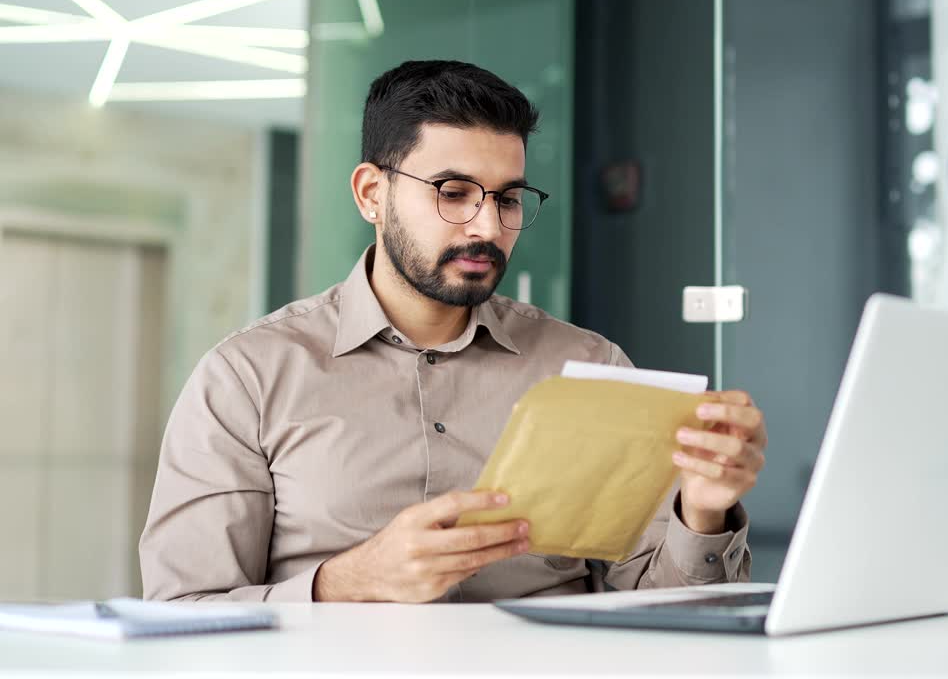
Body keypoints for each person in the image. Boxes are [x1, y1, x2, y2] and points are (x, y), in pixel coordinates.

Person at [139, 60, 768, 603]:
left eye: (508, 199)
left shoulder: (589, 365)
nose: (487, 228)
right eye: (453, 191)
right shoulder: (248, 377)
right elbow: (183, 611)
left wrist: (705, 508)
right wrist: (349, 581)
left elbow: (666, 618)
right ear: (370, 194)